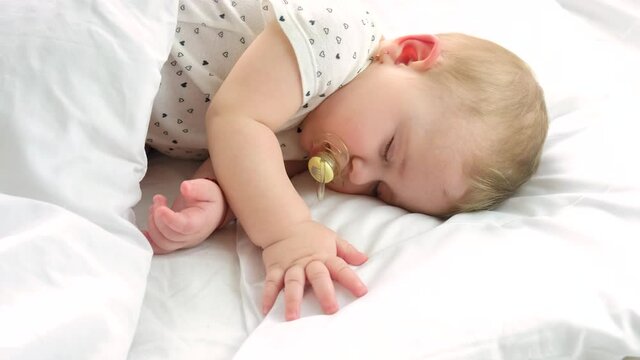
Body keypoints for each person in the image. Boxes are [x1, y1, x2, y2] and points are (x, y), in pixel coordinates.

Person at [143, 0, 548, 321]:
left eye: (379, 189)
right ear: (408, 55)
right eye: (389, 148)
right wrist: (289, 232)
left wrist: (213, 202)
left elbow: (243, 163)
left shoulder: (308, 140)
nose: (359, 171)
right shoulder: (337, 37)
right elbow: (237, 120)